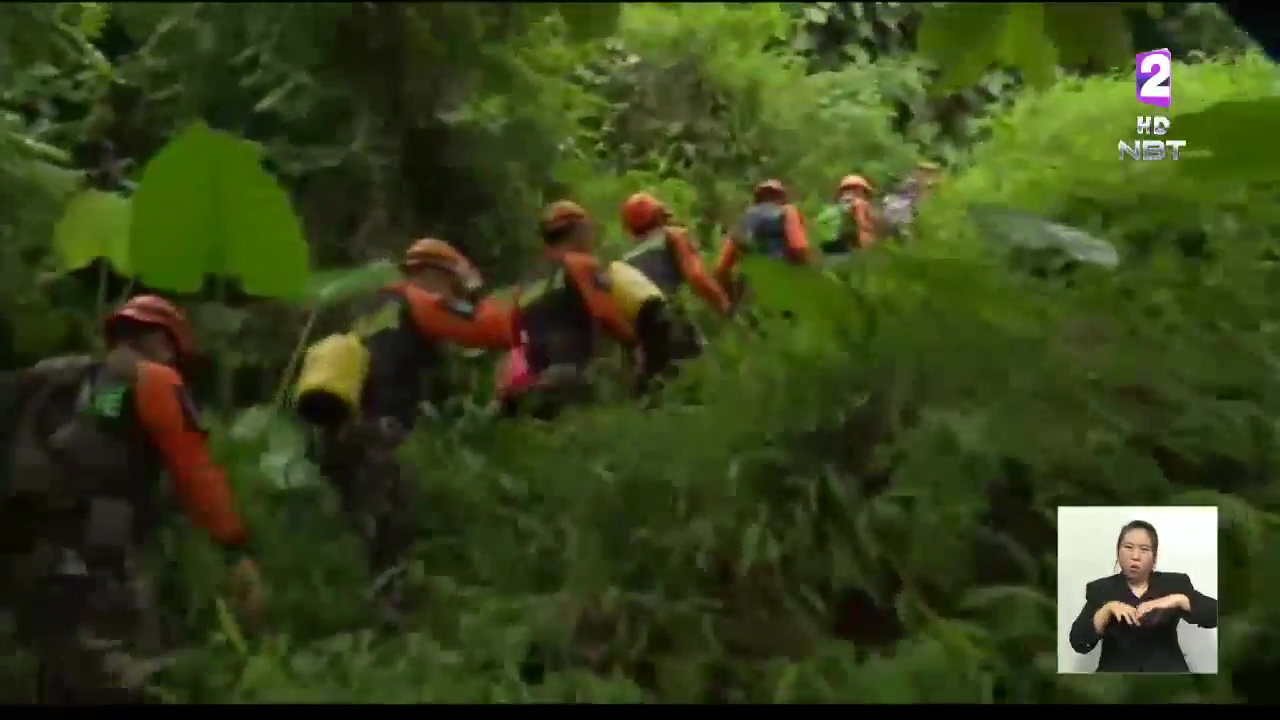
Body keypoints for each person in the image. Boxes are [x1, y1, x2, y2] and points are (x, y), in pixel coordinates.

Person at [1, 295, 260, 704]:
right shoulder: (153, 381)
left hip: (27, 555)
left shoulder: (58, 380)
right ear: (161, 340)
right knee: (125, 678)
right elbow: (195, 473)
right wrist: (234, 551)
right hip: (96, 559)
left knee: (59, 672)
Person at [293, 238, 517, 613]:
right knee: (392, 539)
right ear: (440, 275)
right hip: (384, 433)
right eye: (454, 286)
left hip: (344, 434)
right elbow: (492, 331)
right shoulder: (418, 301)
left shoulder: (369, 314)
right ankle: (395, 624)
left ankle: (356, 618)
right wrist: (484, 296)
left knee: (361, 536)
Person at [500, 200, 673, 419]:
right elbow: (604, 314)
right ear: (580, 230)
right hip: (577, 376)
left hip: (539, 381)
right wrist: (636, 344)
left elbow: (514, 339)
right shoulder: (581, 264)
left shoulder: (523, 285)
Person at [1067, 519, 1219, 672]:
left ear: (1154, 556)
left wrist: (1177, 600)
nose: (1135, 556)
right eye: (1128, 547)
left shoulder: (1175, 583)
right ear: (1118, 551)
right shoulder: (1101, 589)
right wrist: (1106, 610)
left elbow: (1215, 615)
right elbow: (1079, 642)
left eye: (1144, 549)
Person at [618, 192, 730, 360]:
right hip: (674, 326)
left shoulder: (626, 261)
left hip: (646, 341)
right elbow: (697, 277)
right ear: (660, 215)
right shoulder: (672, 236)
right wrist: (725, 307)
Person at [714, 179, 810, 296]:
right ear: (782, 197)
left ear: (757, 198)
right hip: (782, 285)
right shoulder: (789, 211)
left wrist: (730, 295)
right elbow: (798, 248)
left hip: (751, 288)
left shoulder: (745, 218)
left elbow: (721, 268)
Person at [817, 174, 877, 256]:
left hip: (832, 240)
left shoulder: (837, 207)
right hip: (846, 241)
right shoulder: (859, 203)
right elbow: (862, 223)